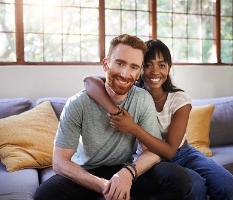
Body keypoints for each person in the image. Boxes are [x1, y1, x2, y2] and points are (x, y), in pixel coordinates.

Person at [34, 34, 190, 200]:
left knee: (177, 177)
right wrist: (103, 185)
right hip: (87, 172)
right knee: (46, 193)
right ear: (105, 64)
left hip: (124, 168)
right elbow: (59, 163)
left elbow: (152, 153)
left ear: (138, 73)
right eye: (120, 63)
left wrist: (127, 174)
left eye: (133, 67)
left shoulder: (143, 99)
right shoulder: (77, 103)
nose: (125, 73)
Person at [84, 39, 233, 200]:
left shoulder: (179, 99)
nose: (155, 71)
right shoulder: (129, 94)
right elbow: (89, 81)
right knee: (195, 185)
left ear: (169, 68)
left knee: (229, 186)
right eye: (148, 65)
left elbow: (170, 150)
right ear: (138, 69)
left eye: (162, 65)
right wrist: (115, 111)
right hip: (147, 158)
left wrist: (131, 127)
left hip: (183, 154)